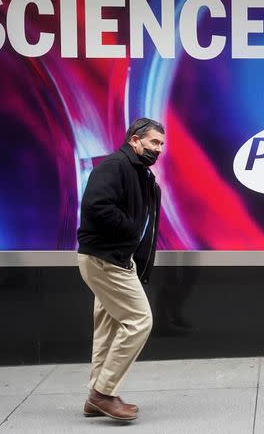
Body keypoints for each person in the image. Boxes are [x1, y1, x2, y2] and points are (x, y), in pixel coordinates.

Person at [76, 117, 164, 421]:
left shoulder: (139, 172)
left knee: (108, 327)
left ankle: (94, 397)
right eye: (154, 142)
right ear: (134, 140)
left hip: (113, 258)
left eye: (161, 144)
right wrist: (130, 233)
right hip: (105, 259)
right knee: (140, 321)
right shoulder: (115, 165)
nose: (158, 149)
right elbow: (97, 206)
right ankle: (104, 392)